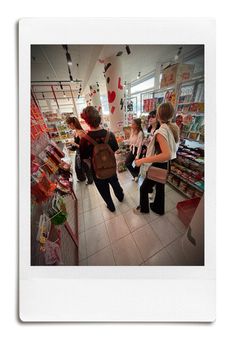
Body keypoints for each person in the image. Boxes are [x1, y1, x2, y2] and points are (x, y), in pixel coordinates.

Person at [134, 102, 180, 215]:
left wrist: (142, 160)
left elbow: (166, 154)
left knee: (144, 188)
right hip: (165, 164)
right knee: (160, 187)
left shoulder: (161, 131)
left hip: (159, 164)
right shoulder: (173, 128)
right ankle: (158, 208)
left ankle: (144, 210)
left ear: (158, 115)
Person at [79, 106, 124, 212]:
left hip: (97, 171)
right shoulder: (110, 134)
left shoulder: (84, 140)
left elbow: (84, 158)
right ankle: (120, 197)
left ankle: (111, 206)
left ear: (86, 121)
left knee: (103, 189)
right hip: (111, 167)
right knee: (115, 183)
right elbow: (115, 150)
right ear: (99, 118)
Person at [66, 116, 93, 185]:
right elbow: (77, 144)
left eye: (68, 125)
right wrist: (71, 146)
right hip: (79, 153)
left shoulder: (81, 133)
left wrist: (74, 143)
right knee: (78, 167)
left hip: (83, 153)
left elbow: (84, 146)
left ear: (72, 124)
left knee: (85, 167)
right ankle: (83, 178)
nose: (68, 126)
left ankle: (90, 180)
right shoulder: (76, 132)